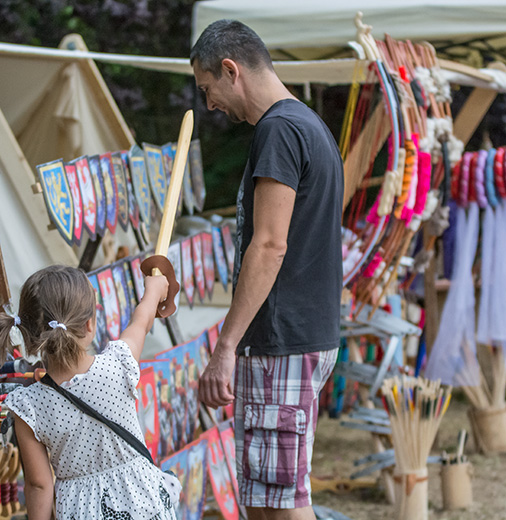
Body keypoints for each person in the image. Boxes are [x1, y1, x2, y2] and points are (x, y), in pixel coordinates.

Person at [191, 20, 344, 520]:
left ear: (230, 70)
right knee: (265, 499)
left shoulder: (279, 130)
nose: (210, 105)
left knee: (279, 506)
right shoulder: (309, 124)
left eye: (208, 89)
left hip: (281, 341)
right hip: (302, 337)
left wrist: (226, 345)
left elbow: (270, 245)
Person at [0, 265, 177, 520]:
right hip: (144, 505)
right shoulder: (118, 365)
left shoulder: (28, 406)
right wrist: (153, 292)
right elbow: (141, 322)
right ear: (89, 325)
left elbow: (38, 485)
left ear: (29, 334)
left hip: (81, 510)